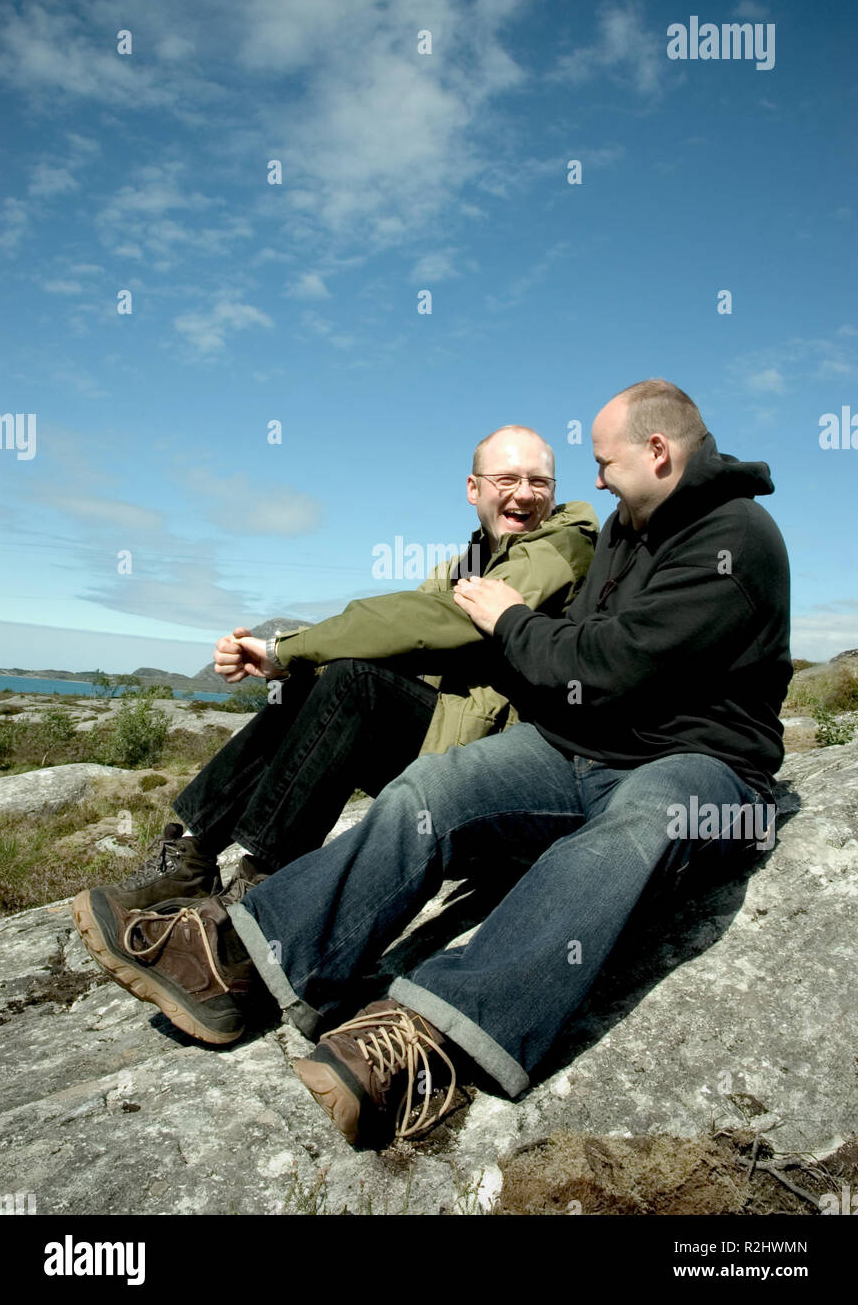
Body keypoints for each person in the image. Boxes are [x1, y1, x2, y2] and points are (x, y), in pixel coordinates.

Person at [71, 380, 792, 1152]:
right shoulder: (626, 524)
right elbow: (544, 645)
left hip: (704, 768)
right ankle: (244, 959)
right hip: (584, 748)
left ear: (658, 452)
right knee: (437, 785)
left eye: (601, 462)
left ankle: (432, 1035)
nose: (593, 479)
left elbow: (608, 662)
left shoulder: (736, 539)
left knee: (633, 829)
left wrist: (510, 621)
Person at [80, 425, 597, 912]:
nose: (524, 494)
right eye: (507, 479)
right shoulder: (469, 563)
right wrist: (283, 664)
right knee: (319, 683)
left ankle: (260, 889)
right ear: (473, 488)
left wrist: (289, 648)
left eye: (538, 481)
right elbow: (386, 634)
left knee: (355, 684)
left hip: (503, 777)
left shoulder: (561, 547)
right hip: (452, 746)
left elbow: (432, 620)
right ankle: (191, 856)